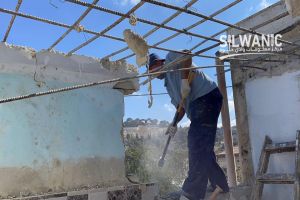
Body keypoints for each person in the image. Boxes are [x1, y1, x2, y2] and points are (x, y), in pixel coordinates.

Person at [147, 51, 229, 200]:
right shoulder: (168, 85)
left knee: (196, 143)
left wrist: (184, 80)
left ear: (159, 62)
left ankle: (192, 192)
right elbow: (181, 107)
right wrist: (174, 123)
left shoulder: (171, 60)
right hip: (197, 105)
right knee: (204, 148)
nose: (153, 75)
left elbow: (187, 55)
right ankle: (220, 184)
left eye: (151, 70)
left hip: (206, 97)